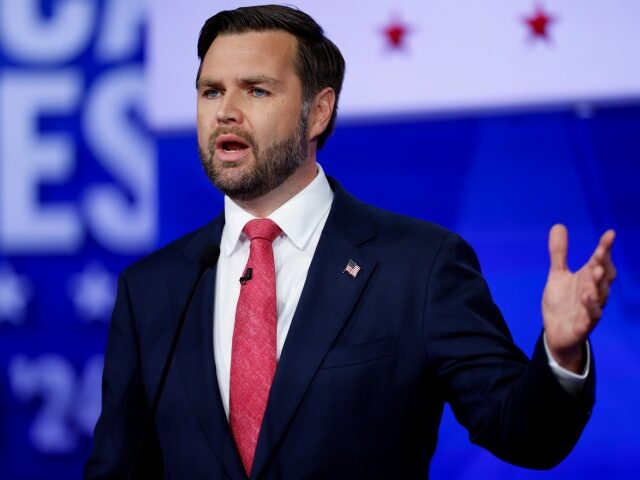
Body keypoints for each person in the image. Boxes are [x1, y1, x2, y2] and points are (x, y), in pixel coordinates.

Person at [85, 5, 616, 479]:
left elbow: (523, 434)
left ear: (318, 112)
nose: (225, 111)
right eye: (211, 91)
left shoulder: (419, 266)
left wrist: (561, 352)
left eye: (257, 89)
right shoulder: (152, 289)